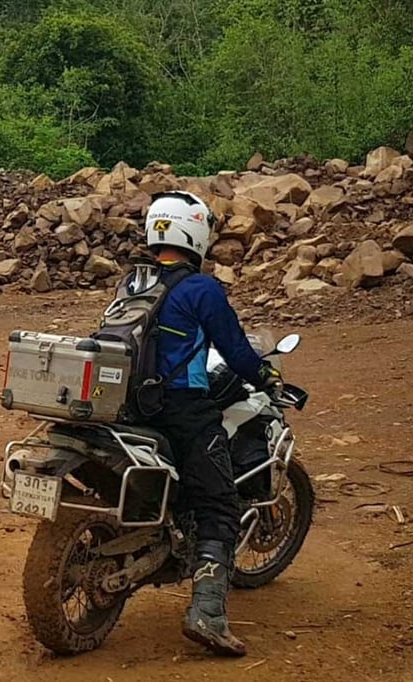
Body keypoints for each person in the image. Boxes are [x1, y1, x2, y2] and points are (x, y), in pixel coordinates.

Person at [125, 191, 282, 657]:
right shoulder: (202, 288)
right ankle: (207, 613)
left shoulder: (135, 282)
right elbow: (235, 351)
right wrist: (267, 374)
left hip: (133, 406)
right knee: (219, 503)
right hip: (183, 409)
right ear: (196, 233)